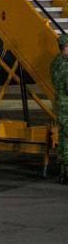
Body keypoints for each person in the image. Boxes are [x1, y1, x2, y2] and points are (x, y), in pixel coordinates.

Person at [51, 35, 68, 185]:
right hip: (65, 106)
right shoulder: (61, 64)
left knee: (64, 138)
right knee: (65, 137)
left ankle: (64, 171)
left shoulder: (59, 62)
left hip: (63, 106)